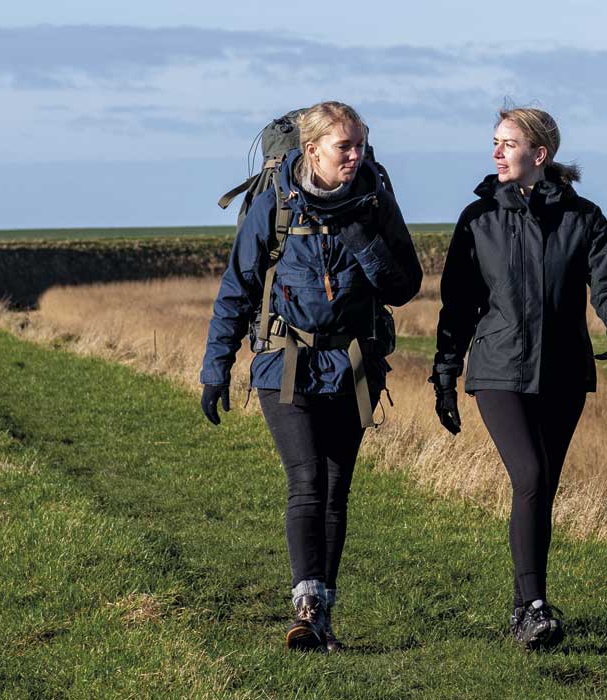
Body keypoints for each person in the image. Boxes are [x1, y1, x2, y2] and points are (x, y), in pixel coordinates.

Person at [200, 101, 422, 652]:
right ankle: (306, 603)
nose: (355, 155)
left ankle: (320, 613)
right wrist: (216, 370)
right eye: (344, 146)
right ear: (312, 149)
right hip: (284, 362)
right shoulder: (275, 204)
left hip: (351, 367)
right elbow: (238, 288)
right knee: (307, 482)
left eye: (359, 145)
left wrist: (361, 240)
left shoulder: (375, 202)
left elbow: (404, 285)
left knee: (336, 490)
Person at [429, 106, 607, 651]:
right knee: (528, 474)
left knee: (541, 486)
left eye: (508, 143)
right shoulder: (477, 219)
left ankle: (527, 603)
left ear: (539, 155)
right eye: (495, 142)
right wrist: (445, 374)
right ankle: (532, 608)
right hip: (500, 371)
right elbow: (457, 306)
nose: (496, 152)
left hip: (565, 372)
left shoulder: (585, 218)